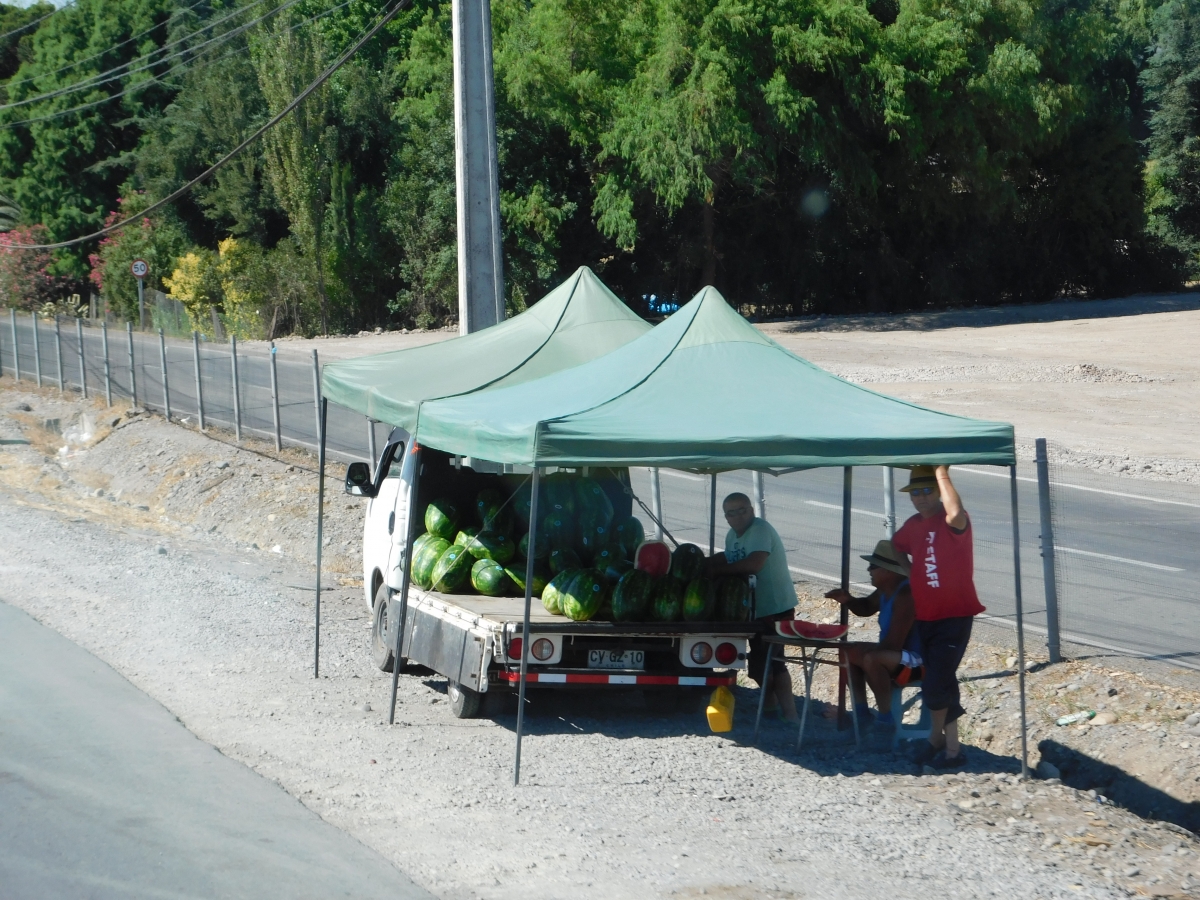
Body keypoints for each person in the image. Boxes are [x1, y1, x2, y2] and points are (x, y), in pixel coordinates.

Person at [890, 465, 985, 770]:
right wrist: (911, 572)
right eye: (914, 492)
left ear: (939, 492)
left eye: (927, 490)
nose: (920, 498)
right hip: (927, 616)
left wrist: (942, 473)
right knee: (944, 682)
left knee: (935, 684)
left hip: (955, 616)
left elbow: (955, 510)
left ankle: (935, 739)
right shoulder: (913, 525)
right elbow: (895, 546)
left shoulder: (953, 521)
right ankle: (953, 750)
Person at [707, 492, 799, 722]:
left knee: (770, 662)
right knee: (764, 663)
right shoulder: (732, 535)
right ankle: (772, 708)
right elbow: (729, 558)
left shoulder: (760, 530)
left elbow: (754, 563)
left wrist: (716, 571)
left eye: (742, 510)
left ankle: (790, 714)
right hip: (754, 610)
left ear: (751, 510)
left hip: (775, 608)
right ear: (726, 517)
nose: (737, 516)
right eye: (731, 512)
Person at [825, 540, 923, 746]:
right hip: (898, 653)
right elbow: (866, 608)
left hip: (918, 659)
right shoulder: (886, 590)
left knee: (873, 659)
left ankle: (886, 720)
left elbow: (894, 644)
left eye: (873, 566)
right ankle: (862, 715)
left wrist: (866, 656)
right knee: (847, 652)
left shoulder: (906, 594)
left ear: (889, 571)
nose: (869, 570)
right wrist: (848, 600)